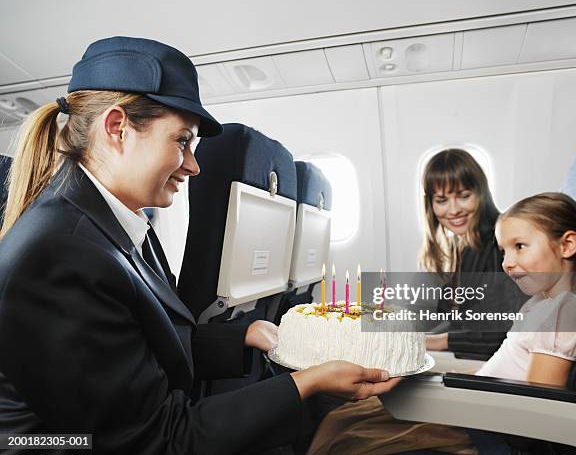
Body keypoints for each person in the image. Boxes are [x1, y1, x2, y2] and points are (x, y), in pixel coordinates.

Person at [0, 36, 399, 454]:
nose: (194, 165)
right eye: (182, 141)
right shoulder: (61, 255)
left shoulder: (122, 222)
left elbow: (142, 345)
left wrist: (246, 335)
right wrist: (308, 383)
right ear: (117, 128)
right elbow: (158, 439)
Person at [307, 192, 576, 454]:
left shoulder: (563, 312)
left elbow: (537, 405)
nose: (506, 263)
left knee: (351, 436)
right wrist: (455, 377)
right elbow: (508, 366)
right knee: (345, 417)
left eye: (519, 246)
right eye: (504, 251)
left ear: (567, 245)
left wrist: (456, 392)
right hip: (481, 408)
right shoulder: (541, 304)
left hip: (489, 428)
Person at [418, 148, 522, 357]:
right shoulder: (467, 244)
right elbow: (457, 311)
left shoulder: (498, 245)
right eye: (441, 200)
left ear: (480, 193)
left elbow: (496, 335)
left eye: (464, 196)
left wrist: (428, 341)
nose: (454, 210)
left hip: (492, 358)